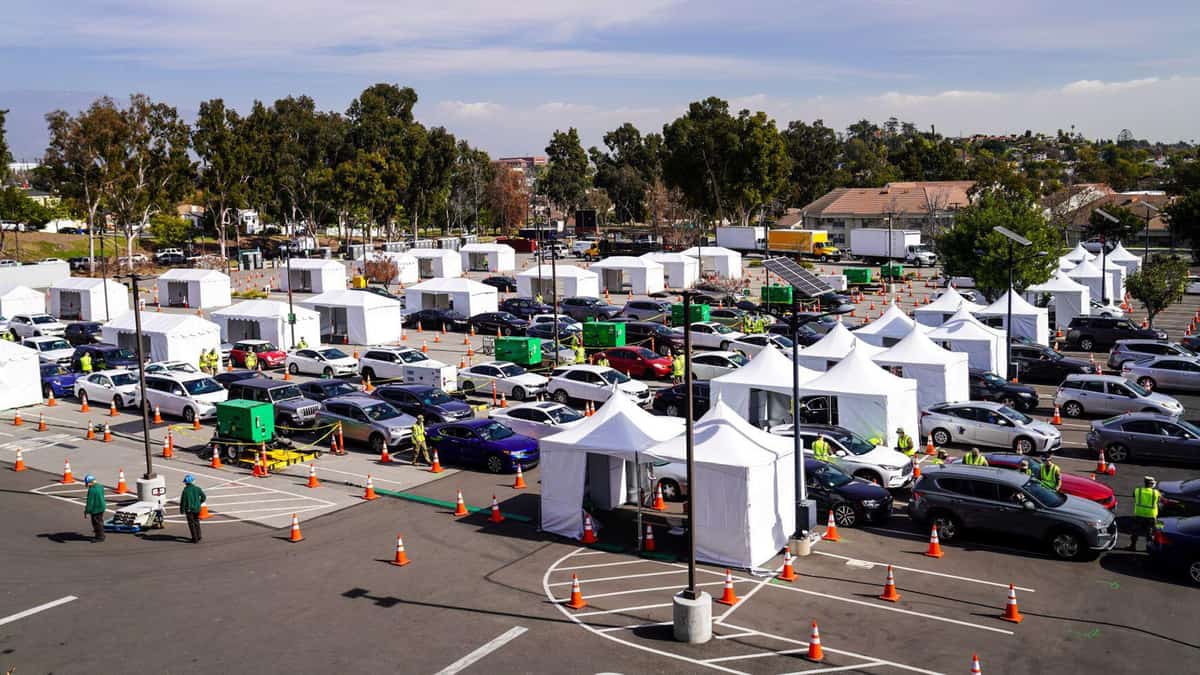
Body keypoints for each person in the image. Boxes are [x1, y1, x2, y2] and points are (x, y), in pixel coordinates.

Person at [1128, 476, 1161, 552]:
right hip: (1151, 516)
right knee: (1149, 534)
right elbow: (1159, 501)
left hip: (1139, 514)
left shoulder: (1137, 490)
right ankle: (1148, 549)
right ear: (1152, 484)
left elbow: (1134, 496)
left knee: (1135, 532)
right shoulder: (1156, 493)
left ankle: (1132, 546)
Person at [179, 474, 206, 544]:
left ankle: (195, 538)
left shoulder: (185, 491)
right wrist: (199, 502)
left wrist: (182, 510)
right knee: (197, 522)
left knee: (191, 524)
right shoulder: (197, 488)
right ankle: (199, 536)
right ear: (192, 481)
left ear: (186, 483)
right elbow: (204, 497)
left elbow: (183, 501)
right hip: (197, 509)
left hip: (189, 510)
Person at [83, 475, 106, 542]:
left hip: (95, 509)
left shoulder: (91, 490)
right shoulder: (100, 486)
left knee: (96, 523)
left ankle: (100, 537)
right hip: (102, 507)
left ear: (90, 482)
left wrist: (87, 511)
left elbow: (90, 502)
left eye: (87, 483)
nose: (87, 485)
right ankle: (101, 534)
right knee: (100, 521)